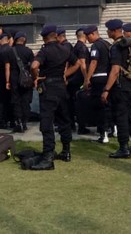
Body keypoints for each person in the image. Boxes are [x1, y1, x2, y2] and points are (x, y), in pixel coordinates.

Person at [29, 24, 80, 169]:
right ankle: (66, 151)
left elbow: (34, 66)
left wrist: (36, 77)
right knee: (64, 120)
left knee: (47, 123)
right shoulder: (65, 48)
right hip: (62, 88)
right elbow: (77, 64)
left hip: (49, 88)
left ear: (44, 38)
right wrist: (65, 74)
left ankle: (48, 155)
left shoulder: (44, 51)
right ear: (55, 36)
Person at [100, 19, 131, 159]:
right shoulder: (128, 44)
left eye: (108, 30)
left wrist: (106, 89)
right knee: (130, 114)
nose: (107, 32)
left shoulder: (116, 47)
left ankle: (124, 147)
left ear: (113, 31)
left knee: (121, 117)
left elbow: (115, 69)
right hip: (130, 84)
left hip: (120, 86)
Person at [84, 25, 112, 143]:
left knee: (99, 107)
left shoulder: (96, 46)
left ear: (92, 34)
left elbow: (94, 62)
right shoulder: (107, 44)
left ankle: (103, 133)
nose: (86, 39)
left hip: (98, 79)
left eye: (87, 36)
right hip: (108, 78)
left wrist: (87, 78)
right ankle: (112, 129)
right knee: (107, 106)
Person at [66, 28, 89, 134]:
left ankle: (72, 124)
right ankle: (81, 126)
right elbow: (83, 64)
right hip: (79, 79)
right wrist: (86, 78)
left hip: (73, 79)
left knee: (72, 103)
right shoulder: (82, 48)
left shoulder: (75, 46)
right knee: (80, 103)